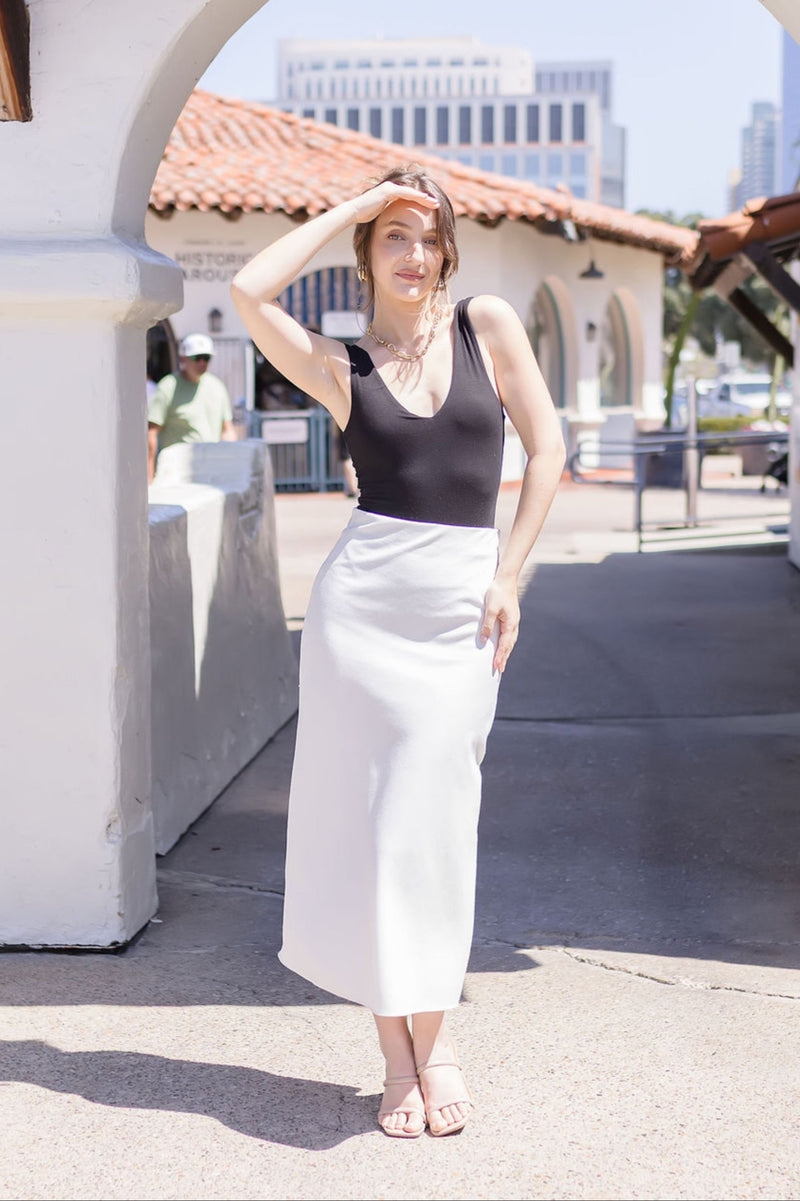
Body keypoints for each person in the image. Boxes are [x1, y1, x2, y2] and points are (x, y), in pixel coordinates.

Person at [231, 166, 566, 1139]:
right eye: (394, 237)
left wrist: (508, 573)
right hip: (361, 613)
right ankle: (397, 1055)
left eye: (428, 238)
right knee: (374, 831)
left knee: (437, 824)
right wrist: (355, 202)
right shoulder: (342, 365)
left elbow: (547, 450)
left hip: (460, 605)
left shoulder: (485, 326)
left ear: (448, 252)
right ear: (367, 252)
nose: (415, 255)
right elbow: (249, 289)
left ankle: (439, 1035)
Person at [147, 333, 236, 482]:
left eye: (206, 358)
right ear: (183, 359)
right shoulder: (168, 387)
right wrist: (149, 475)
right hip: (177, 472)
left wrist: (229, 462)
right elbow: (152, 432)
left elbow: (227, 430)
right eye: (197, 357)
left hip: (211, 471)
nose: (202, 362)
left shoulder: (217, 386)